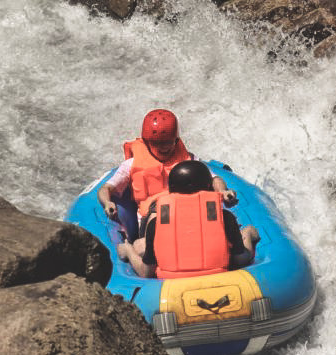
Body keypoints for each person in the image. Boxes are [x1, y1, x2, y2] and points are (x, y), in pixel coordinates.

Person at [97, 109, 236, 233]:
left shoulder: (189, 159)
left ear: (176, 140)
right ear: (146, 142)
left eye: (168, 142)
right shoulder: (131, 165)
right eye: (157, 143)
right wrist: (107, 203)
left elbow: (214, 179)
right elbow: (106, 188)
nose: (164, 147)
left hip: (189, 213)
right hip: (153, 220)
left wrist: (223, 191)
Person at [117, 160, 259, 279]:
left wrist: (129, 251)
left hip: (170, 283)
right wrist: (248, 239)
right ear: (208, 187)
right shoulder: (225, 217)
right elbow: (240, 260)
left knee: (137, 245)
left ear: (171, 189)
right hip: (217, 276)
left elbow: (146, 272)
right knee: (248, 232)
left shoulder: (157, 222)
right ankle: (247, 233)